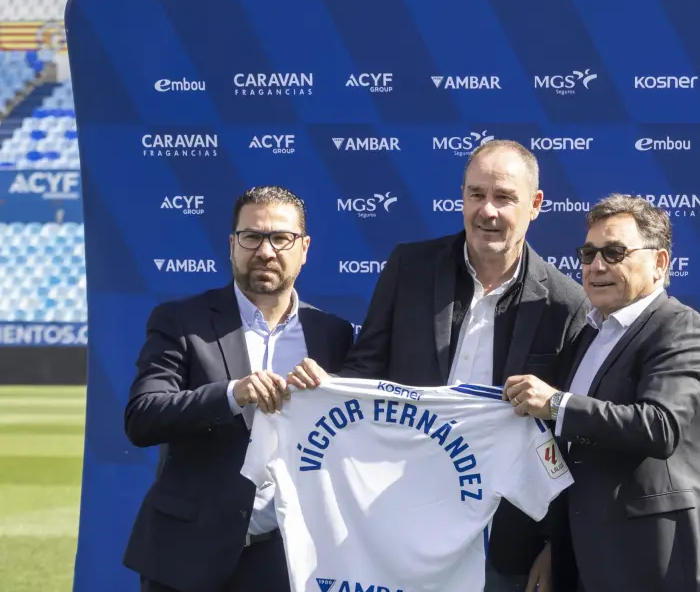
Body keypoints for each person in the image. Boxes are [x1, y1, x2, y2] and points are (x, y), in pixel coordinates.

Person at [289, 139, 591, 591]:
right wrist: (324, 390)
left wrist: (553, 544)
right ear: (462, 197)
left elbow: (565, 439)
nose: (487, 210)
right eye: (476, 194)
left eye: (504, 197)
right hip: (395, 520)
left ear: (535, 205)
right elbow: (364, 372)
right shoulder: (409, 267)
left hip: (504, 541)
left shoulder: (566, 304)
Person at [122, 186, 356, 592]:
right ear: (232, 244)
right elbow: (143, 417)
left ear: (304, 248)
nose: (265, 251)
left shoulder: (333, 335)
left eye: (280, 238)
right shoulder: (181, 321)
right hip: (185, 558)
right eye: (252, 237)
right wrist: (233, 394)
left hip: (288, 559)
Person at [503, 193, 700, 592]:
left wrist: (556, 404)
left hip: (658, 566)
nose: (596, 266)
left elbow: (659, 427)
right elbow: (576, 457)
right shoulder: (588, 334)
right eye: (588, 253)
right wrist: (554, 545)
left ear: (660, 263)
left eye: (614, 252)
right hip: (586, 562)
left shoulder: (681, 328)